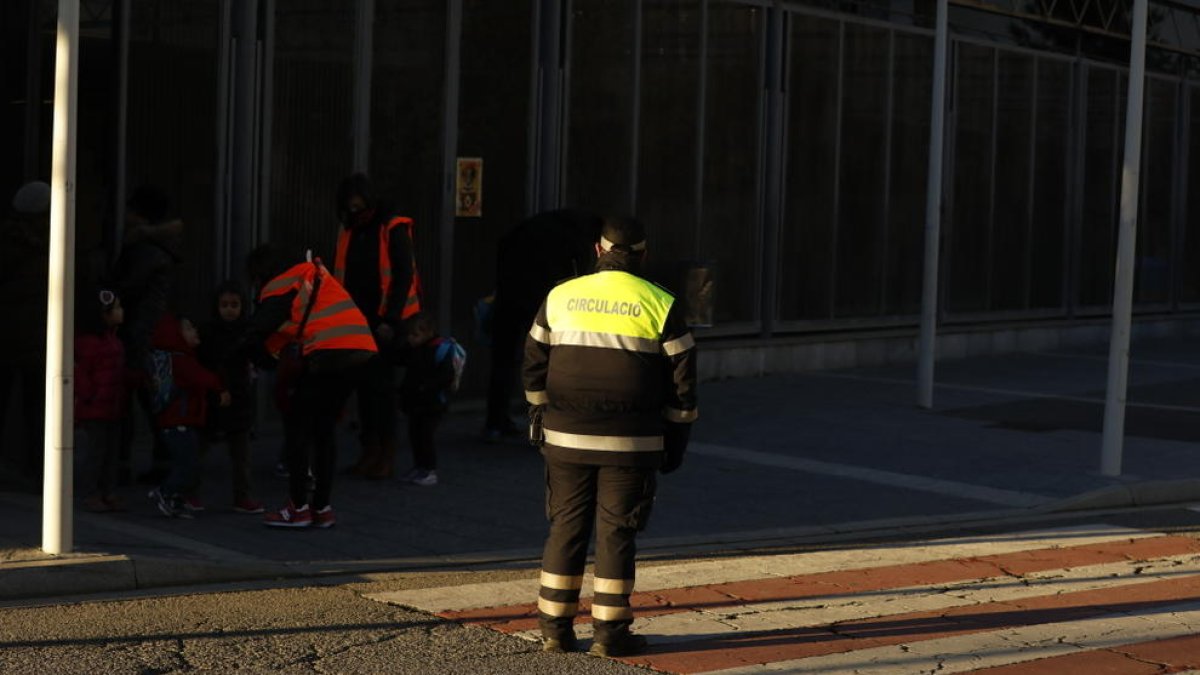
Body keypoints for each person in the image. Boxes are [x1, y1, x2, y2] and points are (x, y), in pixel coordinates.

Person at [523, 216, 698, 656]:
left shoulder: (561, 295)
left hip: (565, 438)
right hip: (631, 443)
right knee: (617, 532)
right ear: (643, 254)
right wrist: (675, 441)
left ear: (598, 251)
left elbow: (533, 365)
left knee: (565, 527)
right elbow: (683, 386)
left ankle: (554, 631)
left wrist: (541, 415)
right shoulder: (660, 302)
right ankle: (610, 634)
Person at [242, 244, 380, 529]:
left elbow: (257, 331)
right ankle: (322, 508)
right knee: (324, 430)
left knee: (298, 428)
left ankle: (298, 508)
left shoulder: (281, 284)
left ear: (259, 275)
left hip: (328, 354)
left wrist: (245, 354)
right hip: (361, 349)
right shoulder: (312, 275)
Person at [485, 210, 601, 442]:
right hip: (542, 303)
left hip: (509, 298)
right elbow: (575, 276)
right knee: (546, 362)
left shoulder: (525, 231)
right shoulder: (574, 238)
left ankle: (496, 421)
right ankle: (542, 424)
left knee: (504, 360)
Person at [333, 173, 420, 479]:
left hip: (384, 322)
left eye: (358, 203)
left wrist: (391, 320)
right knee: (365, 390)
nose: (354, 209)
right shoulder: (351, 230)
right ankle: (370, 451)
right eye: (350, 204)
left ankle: (385, 453)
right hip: (357, 321)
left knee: (382, 391)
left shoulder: (391, 228)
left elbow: (403, 276)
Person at [114, 185, 183, 485]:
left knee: (134, 401)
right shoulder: (161, 247)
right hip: (152, 333)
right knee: (154, 401)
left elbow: (128, 288)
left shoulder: (144, 250)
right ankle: (163, 463)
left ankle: (125, 465)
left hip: (140, 333)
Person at [146, 313, 230, 518]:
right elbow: (202, 378)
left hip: (175, 421)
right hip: (180, 421)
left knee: (185, 462)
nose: (195, 331)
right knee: (187, 463)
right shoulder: (181, 360)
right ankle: (166, 492)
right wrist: (220, 388)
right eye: (189, 328)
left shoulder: (175, 359)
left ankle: (175, 500)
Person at [197, 281, 264, 514]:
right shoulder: (209, 332)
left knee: (241, 452)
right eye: (224, 305)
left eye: (234, 305)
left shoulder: (246, 332)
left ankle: (242, 496)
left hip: (238, 396)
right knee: (202, 446)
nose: (229, 310)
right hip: (216, 395)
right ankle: (189, 492)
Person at [0, 181, 50, 479]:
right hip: (35, 334)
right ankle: (38, 465)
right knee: (38, 406)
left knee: (33, 404)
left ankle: (36, 464)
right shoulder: (50, 242)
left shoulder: (11, 241)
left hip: (19, 334)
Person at [74, 288, 127, 512]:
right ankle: (91, 493)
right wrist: (90, 397)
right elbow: (81, 374)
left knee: (110, 453)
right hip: (96, 408)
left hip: (111, 406)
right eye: (117, 308)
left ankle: (107, 491)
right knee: (95, 454)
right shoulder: (90, 343)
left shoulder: (112, 340)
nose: (121, 311)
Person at [398, 313, 458, 487]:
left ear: (428, 332)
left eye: (415, 335)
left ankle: (429, 469)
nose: (411, 338)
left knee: (425, 436)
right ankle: (420, 467)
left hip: (432, 402)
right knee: (415, 435)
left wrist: (425, 386)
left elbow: (446, 376)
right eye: (410, 335)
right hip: (417, 400)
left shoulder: (437, 349)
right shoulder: (415, 349)